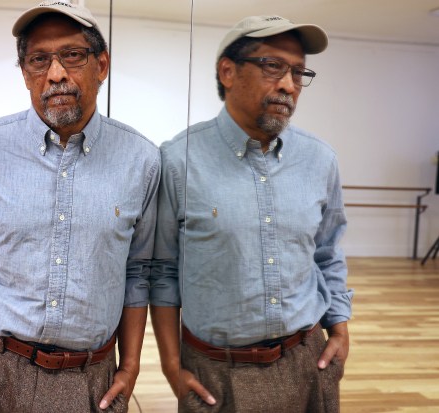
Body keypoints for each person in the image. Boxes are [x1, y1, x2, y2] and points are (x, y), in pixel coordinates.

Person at [0, 2, 160, 412]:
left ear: (102, 65)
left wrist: (131, 364)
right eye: (38, 60)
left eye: (72, 55)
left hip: (91, 378)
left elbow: (139, 270)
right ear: (25, 74)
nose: (56, 73)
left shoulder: (143, 161)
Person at [150, 15, 353, 412]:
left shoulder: (319, 159)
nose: (288, 85)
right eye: (272, 66)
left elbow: (327, 252)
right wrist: (171, 365)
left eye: (298, 72)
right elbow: (161, 271)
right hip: (216, 371)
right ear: (227, 71)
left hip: (307, 360)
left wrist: (340, 330)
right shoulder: (178, 160)